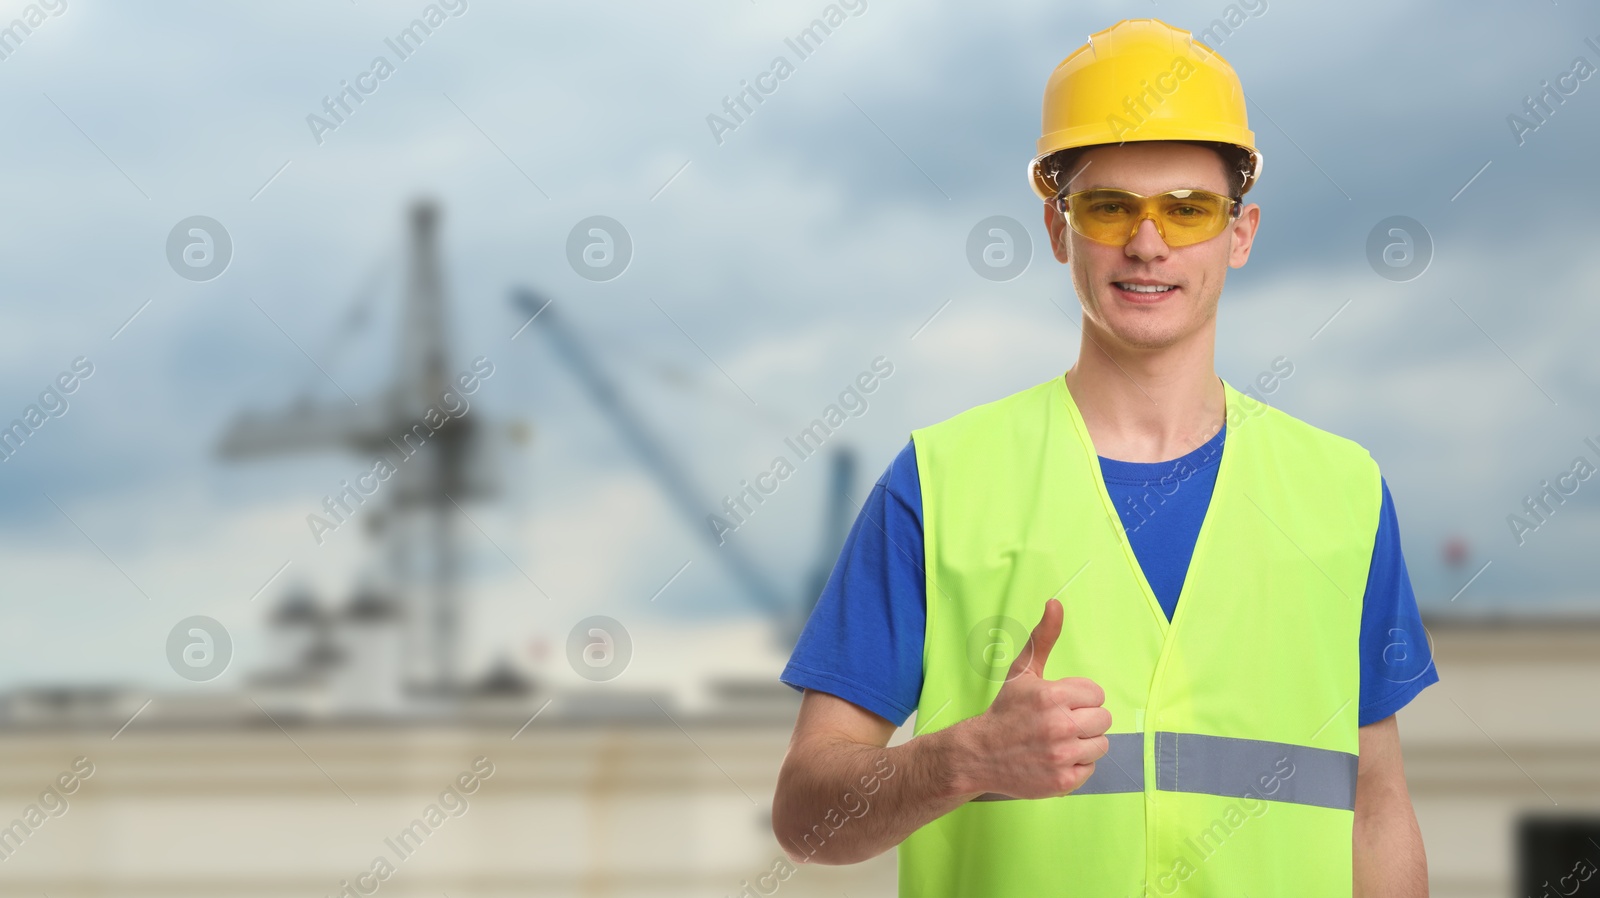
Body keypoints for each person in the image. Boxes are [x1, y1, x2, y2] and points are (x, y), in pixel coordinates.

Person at [770, 17, 1438, 898]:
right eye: (1110, 206)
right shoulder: (940, 483)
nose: (1148, 242)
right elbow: (805, 817)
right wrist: (960, 759)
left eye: (1188, 208)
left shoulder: (1343, 493)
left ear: (1241, 233)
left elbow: (1378, 806)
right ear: (1059, 230)